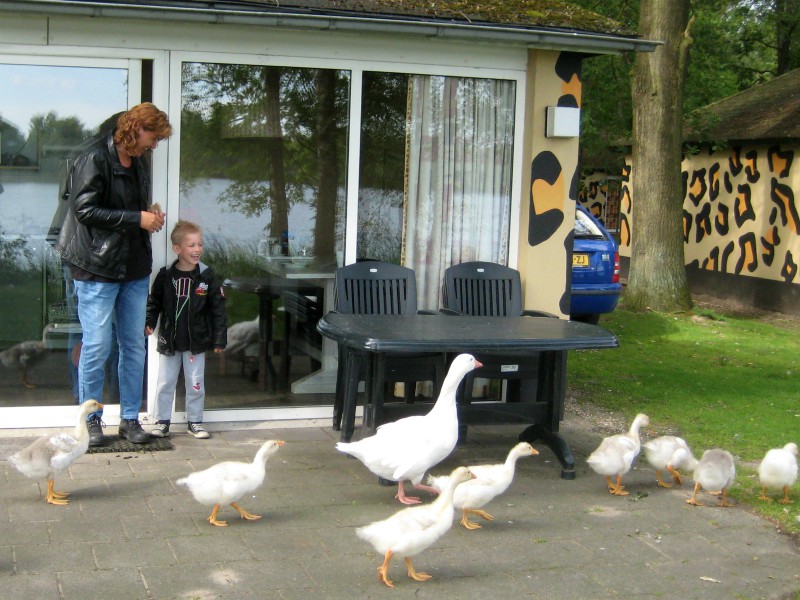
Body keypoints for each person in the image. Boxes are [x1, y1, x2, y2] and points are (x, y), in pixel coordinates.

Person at [55, 102, 172, 446]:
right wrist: (137, 219)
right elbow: (84, 209)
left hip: (132, 266)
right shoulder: (93, 157)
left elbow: (128, 205)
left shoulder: (138, 160)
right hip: (94, 267)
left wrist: (148, 212)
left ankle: (129, 420)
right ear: (136, 128)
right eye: (154, 137)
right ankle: (91, 421)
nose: (155, 145)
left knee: (134, 345)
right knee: (97, 344)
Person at [145, 220, 227, 439]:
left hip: (195, 343)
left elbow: (218, 309)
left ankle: (195, 421)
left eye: (199, 244)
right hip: (170, 342)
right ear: (177, 249)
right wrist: (150, 322)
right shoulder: (165, 276)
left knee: (195, 383)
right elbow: (154, 302)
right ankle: (162, 421)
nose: (197, 249)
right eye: (191, 245)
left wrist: (219, 338)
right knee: (165, 383)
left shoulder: (207, 277)